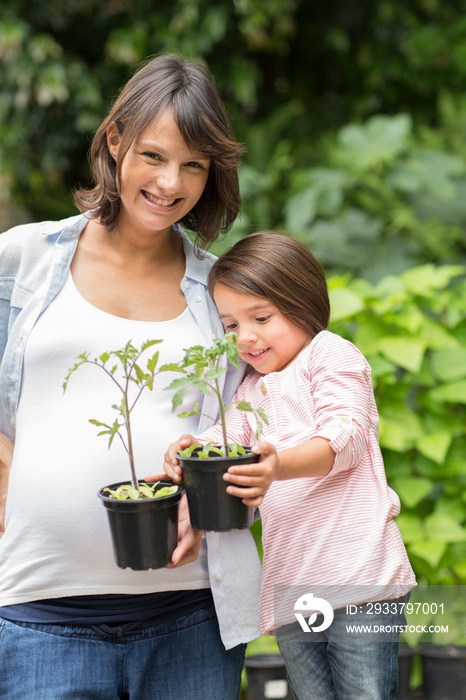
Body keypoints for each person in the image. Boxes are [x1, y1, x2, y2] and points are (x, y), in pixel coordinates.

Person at [0, 54, 262, 700]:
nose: (171, 183)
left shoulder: (220, 290)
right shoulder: (25, 261)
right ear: (115, 141)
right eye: (153, 155)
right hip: (40, 613)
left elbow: (251, 420)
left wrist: (222, 493)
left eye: (194, 165)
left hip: (192, 618)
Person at [164, 232, 417, 700]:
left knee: (365, 692)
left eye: (261, 317)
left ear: (304, 303)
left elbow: (346, 437)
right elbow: (229, 436)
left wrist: (276, 464)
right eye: (231, 325)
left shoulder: (330, 354)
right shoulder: (253, 387)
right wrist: (190, 449)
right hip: (293, 587)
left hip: (359, 580)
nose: (246, 337)